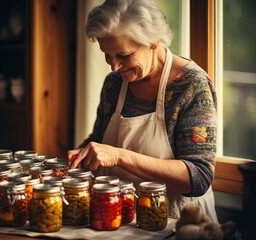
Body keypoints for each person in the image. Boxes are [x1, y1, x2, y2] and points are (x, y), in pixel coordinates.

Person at [68, 0, 218, 222]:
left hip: (180, 221)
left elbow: (198, 178)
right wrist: (81, 155)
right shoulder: (114, 84)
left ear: (153, 41)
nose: (114, 66)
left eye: (124, 55)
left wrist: (120, 156)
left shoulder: (190, 86)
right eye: (107, 54)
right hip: (120, 217)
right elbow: (100, 141)